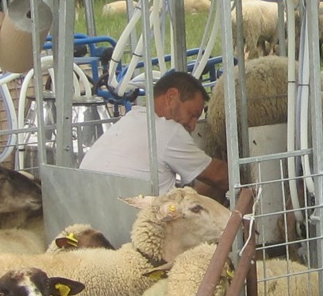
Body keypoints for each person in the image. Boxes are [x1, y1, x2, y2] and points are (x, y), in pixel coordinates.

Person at [79, 70, 229, 202]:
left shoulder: (130, 119)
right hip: (138, 225)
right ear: (171, 97)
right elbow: (220, 176)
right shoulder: (169, 130)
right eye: (192, 115)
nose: (192, 125)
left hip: (94, 214)